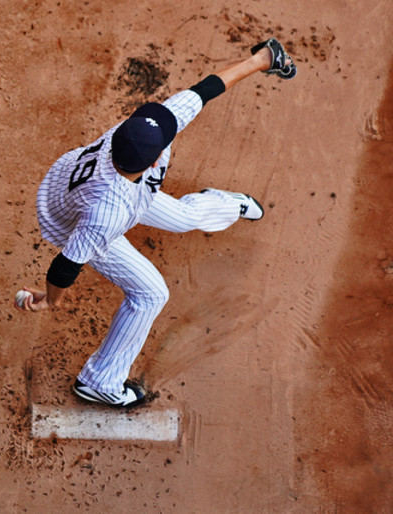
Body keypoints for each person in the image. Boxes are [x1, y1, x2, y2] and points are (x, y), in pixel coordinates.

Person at [17, 38, 297, 408]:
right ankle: (100, 381)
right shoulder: (105, 216)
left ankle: (226, 204)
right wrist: (51, 300)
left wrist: (261, 60)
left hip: (89, 186)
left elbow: (204, 90)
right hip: (69, 216)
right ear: (153, 162)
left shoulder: (134, 132)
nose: (169, 125)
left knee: (183, 217)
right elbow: (66, 264)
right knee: (151, 294)